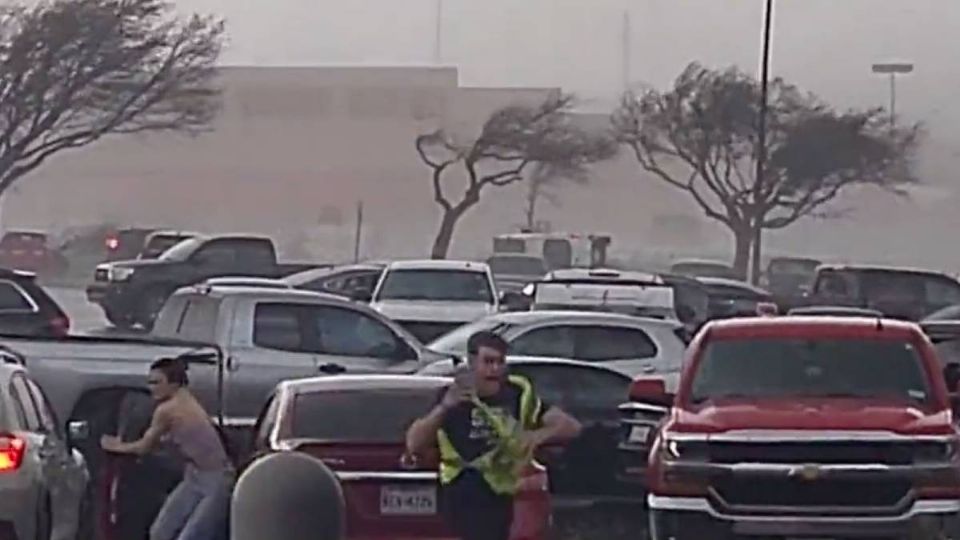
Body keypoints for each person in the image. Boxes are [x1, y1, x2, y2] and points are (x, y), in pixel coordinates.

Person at [406, 331, 582, 540]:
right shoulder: (452, 396)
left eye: (500, 362)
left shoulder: (516, 393)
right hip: (461, 489)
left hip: (502, 493)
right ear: (472, 363)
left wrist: (537, 436)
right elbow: (414, 443)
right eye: (488, 362)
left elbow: (570, 426)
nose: (495, 370)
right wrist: (445, 407)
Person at [101, 357, 233, 540]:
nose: (152, 387)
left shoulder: (168, 410)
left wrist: (116, 446)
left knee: (191, 536)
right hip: (194, 474)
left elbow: (143, 448)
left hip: (216, 478)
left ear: (174, 383)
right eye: (150, 382)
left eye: (157, 382)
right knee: (160, 531)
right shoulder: (186, 397)